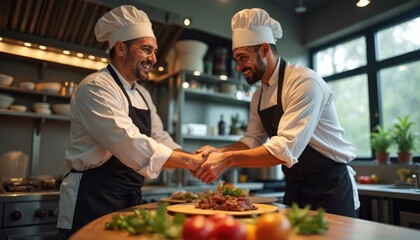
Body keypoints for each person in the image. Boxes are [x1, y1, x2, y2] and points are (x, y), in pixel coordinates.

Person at [193, 8, 360, 218]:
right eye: (237, 59)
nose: (238, 67)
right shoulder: (258, 96)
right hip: (294, 190)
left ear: (264, 49)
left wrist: (227, 160)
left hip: (330, 189)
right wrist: (220, 152)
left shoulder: (304, 82)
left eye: (243, 58)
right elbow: (252, 140)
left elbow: (283, 148)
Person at [57, 5, 204, 239]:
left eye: (154, 51)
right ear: (121, 48)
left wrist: (196, 159)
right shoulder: (96, 87)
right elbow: (128, 141)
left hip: (129, 195)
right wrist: (190, 162)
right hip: (93, 197)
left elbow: (159, 137)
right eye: (146, 49)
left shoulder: (143, 94)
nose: (154, 58)